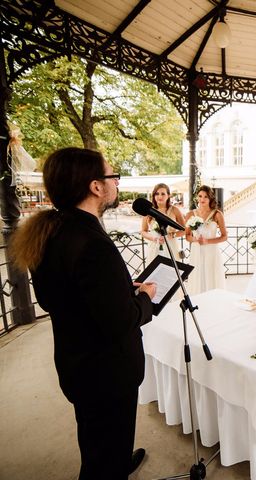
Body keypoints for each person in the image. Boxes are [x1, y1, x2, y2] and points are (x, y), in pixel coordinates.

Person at [9, 147, 157, 479]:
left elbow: (58, 297)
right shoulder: (92, 242)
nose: (116, 183)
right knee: (105, 453)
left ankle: (111, 460)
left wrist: (117, 289)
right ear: (95, 186)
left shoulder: (53, 231)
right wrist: (144, 297)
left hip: (78, 363)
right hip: (107, 372)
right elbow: (120, 322)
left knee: (95, 437)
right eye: (112, 176)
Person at [185, 185, 227, 294]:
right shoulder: (190, 214)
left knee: (211, 274)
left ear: (210, 198)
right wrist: (195, 239)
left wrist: (207, 241)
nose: (202, 199)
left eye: (206, 197)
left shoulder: (217, 214)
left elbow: (224, 236)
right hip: (196, 250)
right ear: (197, 198)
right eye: (200, 196)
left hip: (211, 251)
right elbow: (187, 236)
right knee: (198, 275)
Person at [140, 183, 186, 261]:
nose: (160, 196)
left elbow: (184, 230)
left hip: (171, 246)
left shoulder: (175, 210)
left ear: (168, 195)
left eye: (163, 194)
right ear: (154, 196)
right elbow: (143, 231)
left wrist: (173, 235)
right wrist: (154, 238)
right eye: (157, 194)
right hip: (155, 246)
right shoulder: (148, 210)